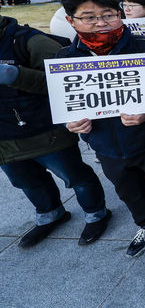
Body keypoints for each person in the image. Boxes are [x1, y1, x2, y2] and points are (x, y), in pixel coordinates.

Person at [57, 0, 145, 261]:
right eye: (89, 17)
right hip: (105, 145)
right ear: (71, 21)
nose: (101, 23)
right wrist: (71, 123)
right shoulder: (65, 59)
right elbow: (62, 103)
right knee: (129, 192)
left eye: (108, 15)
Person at [0, 13, 110, 248]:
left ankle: (96, 214)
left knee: (75, 177)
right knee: (27, 181)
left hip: (44, 129)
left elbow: (66, 80)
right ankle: (50, 214)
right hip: (5, 140)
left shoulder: (28, 41)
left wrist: (17, 76)